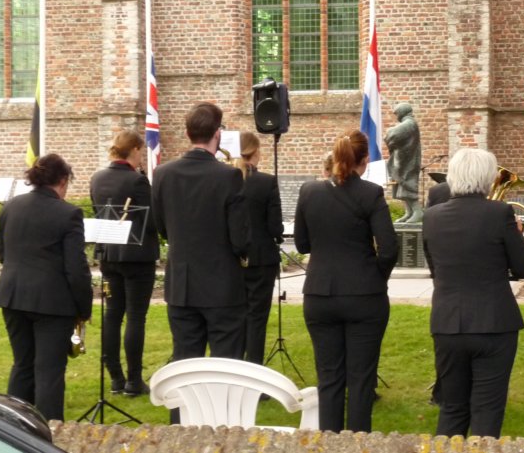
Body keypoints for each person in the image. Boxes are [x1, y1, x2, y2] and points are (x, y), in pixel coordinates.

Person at [422, 148, 524, 437]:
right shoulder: (500, 213)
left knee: (452, 408)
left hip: (447, 322)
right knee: (487, 410)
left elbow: (435, 267)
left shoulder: (431, 216)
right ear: (487, 179)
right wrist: (516, 236)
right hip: (493, 323)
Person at [294, 130, 398, 432]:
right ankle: (356, 443)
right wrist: (376, 276)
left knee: (329, 378)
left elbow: (301, 244)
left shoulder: (309, 191)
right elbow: (389, 247)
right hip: (364, 296)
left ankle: (330, 442)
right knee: (362, 380)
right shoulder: (371, 193)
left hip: (320, 294)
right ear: (364, 161)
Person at [0, 154, 92, 420]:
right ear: (62, 181)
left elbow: (3, 254)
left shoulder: (11, 206)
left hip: (12, 296)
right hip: (52, 303)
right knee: (49, 372)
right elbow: (76, 269)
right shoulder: (69, 213)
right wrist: (84, 308)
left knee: (22, 365)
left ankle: (14, 429)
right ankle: (49, 436)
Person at [152, 102, 250, 361]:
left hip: (182, 284)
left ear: (187, 134)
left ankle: (182, 405)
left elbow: (161, 227)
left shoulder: (162, 173)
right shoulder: (229, 176)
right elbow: (240, 238)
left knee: (185, 360)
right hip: (222, 284)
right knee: (226, 360)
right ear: (217, 133)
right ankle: (222, 404)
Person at [89, 130, 160, 397]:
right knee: (136, 317)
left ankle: (116, 379)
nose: (142, 156)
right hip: (136, 257)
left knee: (113, 315)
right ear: (133, 150)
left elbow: (98, 212)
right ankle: (133, 380)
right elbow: (152, 221)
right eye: (141, 151)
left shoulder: (97, 178)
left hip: (108, 254)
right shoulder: (137, 181)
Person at [233, 132, 285, 366]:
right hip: (262, 257)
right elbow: (275, 226)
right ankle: (254, 371)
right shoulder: (266, 181)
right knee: (257, 318)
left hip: (232, 256)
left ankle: (234, 368)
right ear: (254, 152)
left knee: (235, 315)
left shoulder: (226, 179)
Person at [385, 102, 422, 223]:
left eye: (397, 113)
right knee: (402, 185)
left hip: (408, 163)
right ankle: (409, 212)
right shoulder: (408, 123)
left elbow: (392, 135)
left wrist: (389, 131)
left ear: (402, 112)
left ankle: (417, 211)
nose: (396, 116)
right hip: (404, 161)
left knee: (407, 184)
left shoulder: (409, 123)